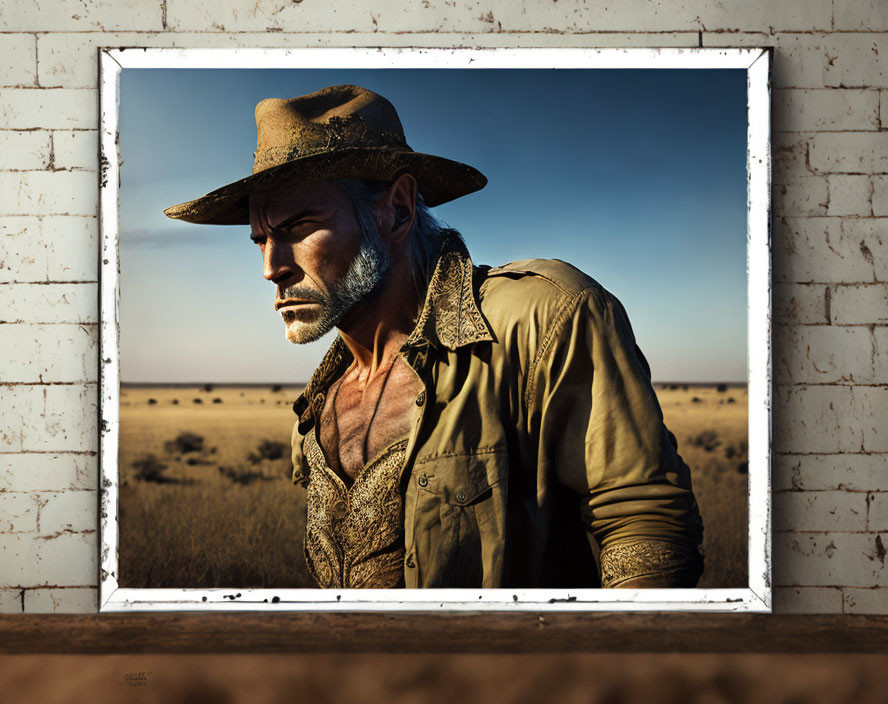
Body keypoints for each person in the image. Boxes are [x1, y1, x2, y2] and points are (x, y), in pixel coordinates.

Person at [165, 84, 704, 590]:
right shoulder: (320, 400)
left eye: (299, 227)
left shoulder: (538, 318)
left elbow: (647, 527)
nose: (271, 267)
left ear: (397, 208)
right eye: (259, 240)